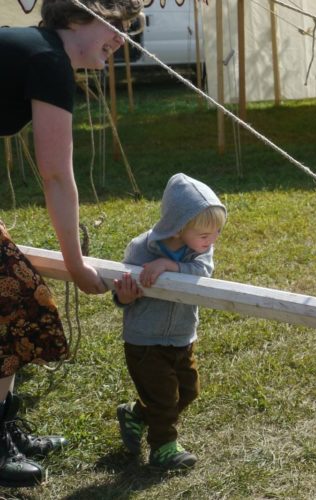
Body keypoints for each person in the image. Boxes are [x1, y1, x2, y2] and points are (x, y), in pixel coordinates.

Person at [0, 0, 142, 487]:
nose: (122, 38)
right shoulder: (48, 60)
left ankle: (5, 429)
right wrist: (77, 266)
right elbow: (56, 174)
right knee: (13, 302)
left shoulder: (35, 50)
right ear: (77, 18)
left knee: (13, 300)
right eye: (116, 25)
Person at [112, 173, 226, 470]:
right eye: (205, 235)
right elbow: (121, 291)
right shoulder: (141, 249)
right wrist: (124, 297)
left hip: (182, 336)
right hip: (145, 340)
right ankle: (163, 448)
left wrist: (171, 266)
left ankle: (136, 413)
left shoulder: (199, 251)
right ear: (178, 226)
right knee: (164, 399)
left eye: (216, 233)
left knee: (188, 391)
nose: (212, 240)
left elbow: (203, 273)